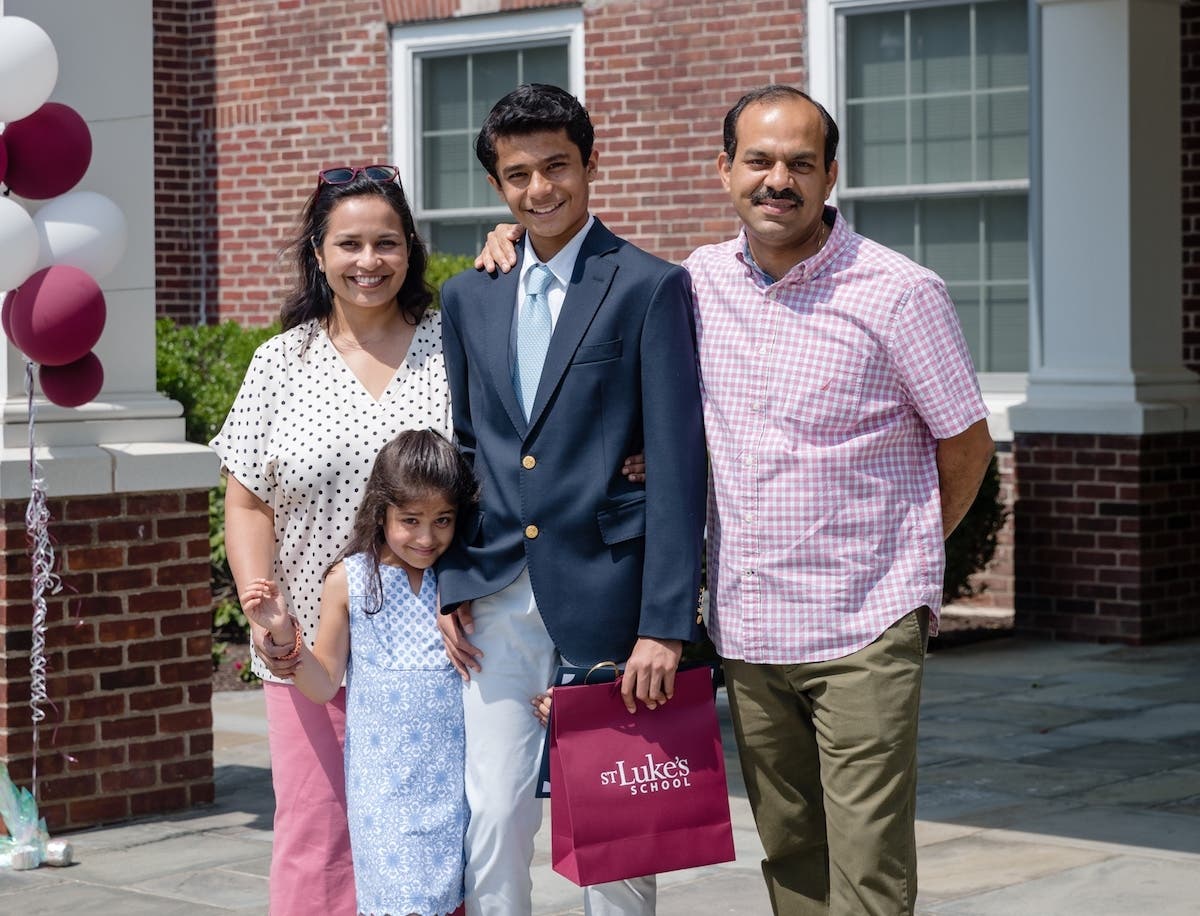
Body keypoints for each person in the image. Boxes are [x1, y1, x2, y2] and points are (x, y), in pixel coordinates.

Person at [477, 84, 996, 915]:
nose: (777, 180)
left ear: (830, 175)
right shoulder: (697, 282)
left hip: (865, 622)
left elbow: (966, 444)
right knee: (789, 852)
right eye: (758, 161)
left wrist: (910, 557)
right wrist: (515, 240)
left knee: (866, 863)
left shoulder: (902, 293)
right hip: (751, 629)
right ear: (725, 171)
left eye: (799, 163)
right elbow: (601, 320)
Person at [435, 83, 707, 916]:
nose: (540, 189)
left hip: (608, 593)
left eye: (557, 166)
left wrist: (664, 625)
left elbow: (677, 464)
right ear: (496, 186)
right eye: (518, 175)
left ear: (591, 164)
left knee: (616, 834)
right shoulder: (469, 295)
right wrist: (453, 576)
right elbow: (472, 446)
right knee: (492, 814)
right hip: (495, 595)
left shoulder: (649, 286)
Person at [211, 164, 451, 915]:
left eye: (386, 242)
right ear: (318, 253)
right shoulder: (280, 363)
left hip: (434, 650)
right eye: (348, 244)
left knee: (430, 835)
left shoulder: (454, 348)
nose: (368, 261)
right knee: (317, 837)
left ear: (410, 249)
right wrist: (260, 607)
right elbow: (247, 502)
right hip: (311, 646)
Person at [240, 429, 476, 916]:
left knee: (446, 900)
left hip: (451, 783)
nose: (426, 538)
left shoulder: (462, 580)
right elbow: (323, 682)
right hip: (381, 790)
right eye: (410, 520)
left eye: (443, 520)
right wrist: (283, 633)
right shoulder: (349, 579)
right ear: (381, 511)